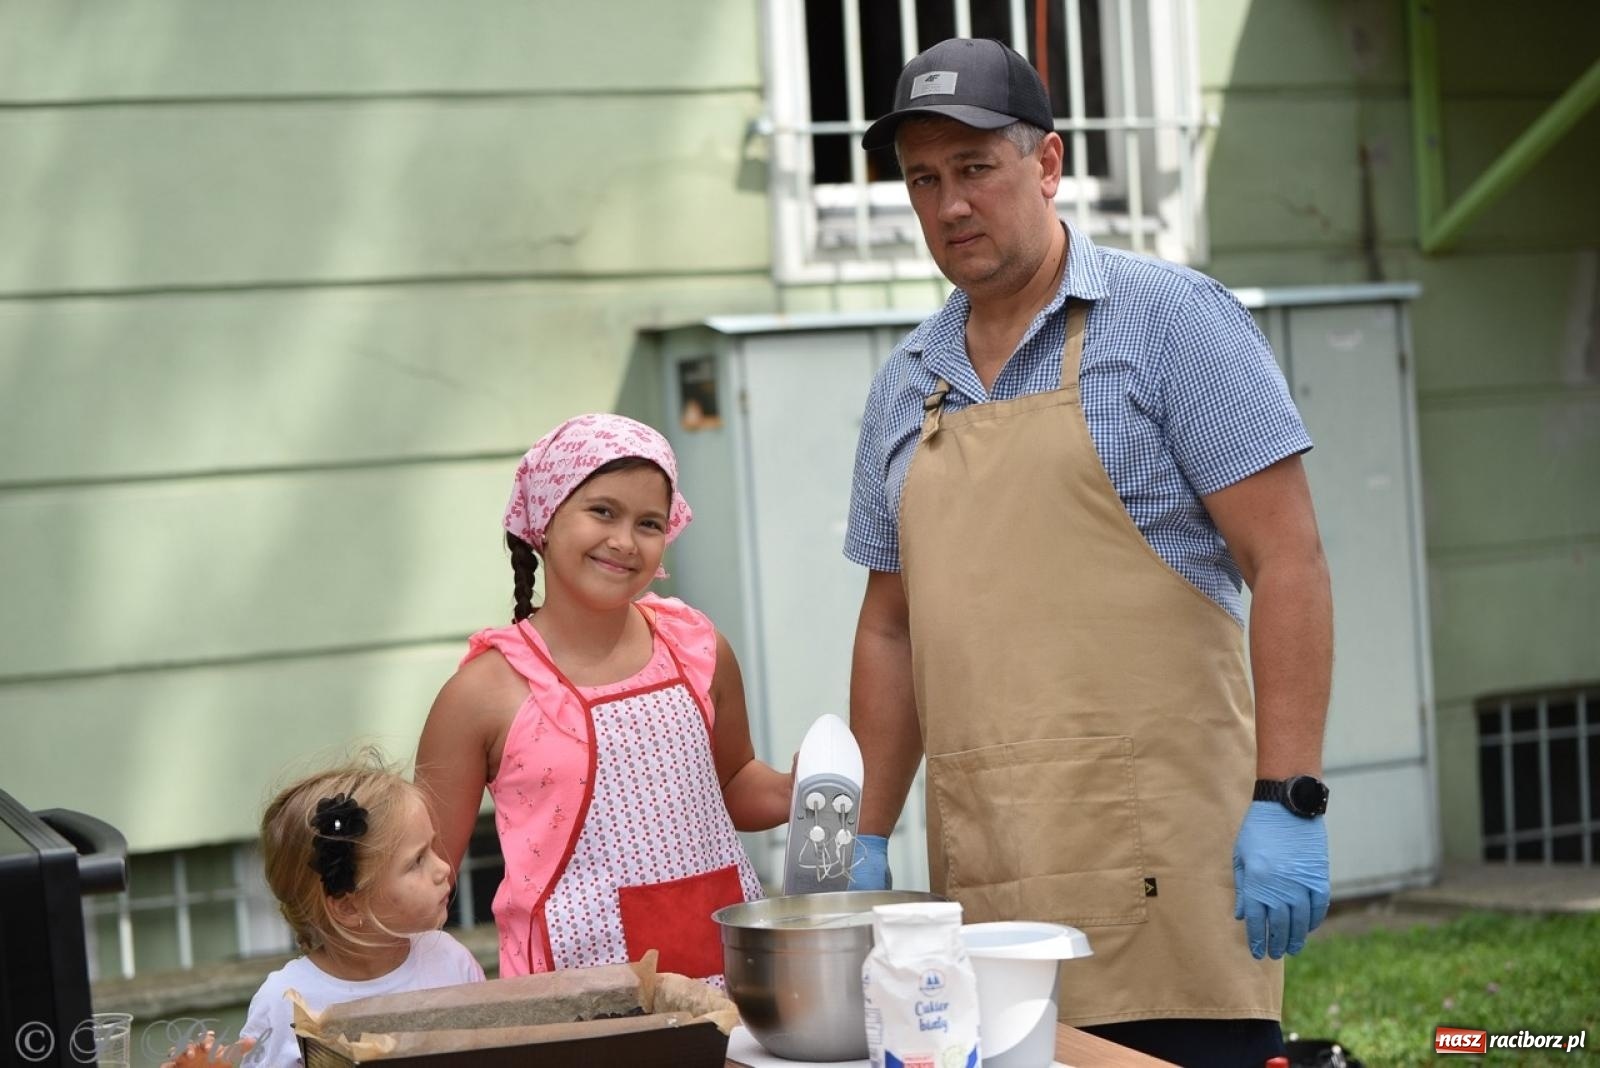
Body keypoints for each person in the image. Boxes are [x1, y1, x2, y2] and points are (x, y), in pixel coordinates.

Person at [844, 37, 1333, 1067]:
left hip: (1170, 872)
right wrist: (866, 832)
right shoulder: (905, 383)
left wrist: (1288, 796)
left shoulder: (1172, 325)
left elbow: (1286, 560)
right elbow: (890, 628)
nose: (949, 206)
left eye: (975, 168)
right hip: (985, 882)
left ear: (1048, 165)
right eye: (923, 180)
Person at [416, 413, 790, 984]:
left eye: (649, 522)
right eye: (602, 511)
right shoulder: (481, 695)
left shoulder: (698, 647)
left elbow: (735, 782)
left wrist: (803, 790)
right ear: (544, 515)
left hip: (727, 984)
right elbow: (420, 870)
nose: (624, 540)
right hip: (574, 1011)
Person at [165, 755, 484, 1068]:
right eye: (416, 861)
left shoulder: (451, 962)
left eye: (432, 847)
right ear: (348, 907)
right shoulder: (284, 1002)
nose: (444, 867)